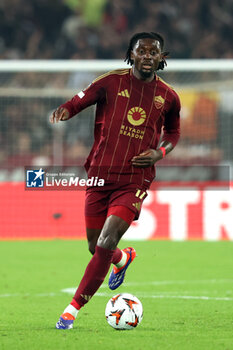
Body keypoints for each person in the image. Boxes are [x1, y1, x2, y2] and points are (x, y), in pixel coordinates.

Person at [50, 31, 181, 329]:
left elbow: (174, 134)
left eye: (153, 52)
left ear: (161, 57)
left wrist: (159, 152)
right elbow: (78, 101)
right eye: (142, 51)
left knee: (107, 240)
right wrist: (65, 111)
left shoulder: (169, 97)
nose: (147, 56)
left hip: (134, 179)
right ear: (131, 54)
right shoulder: (111, 82)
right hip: (99, 174)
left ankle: (72, 309)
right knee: (95, 245)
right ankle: (123, 259)